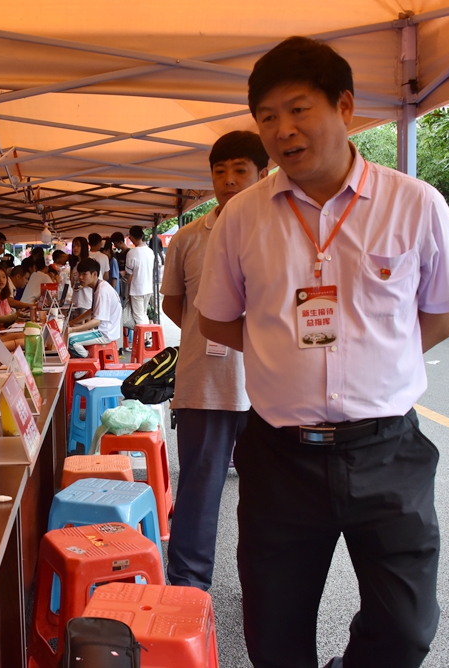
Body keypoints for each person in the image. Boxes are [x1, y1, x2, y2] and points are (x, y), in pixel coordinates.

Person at [196, 37, 449, 668]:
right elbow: (216, 318)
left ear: (344, 107)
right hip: (279, 458)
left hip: (387, 451)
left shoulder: (414, 203)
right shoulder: (242, 217)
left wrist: (381, 361)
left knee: (405, 630)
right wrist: (277, 353)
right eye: (268, 117)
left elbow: (443, 316)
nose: (282, 130)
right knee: (274, 636)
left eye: (298, 109)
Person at [160, 130, 269, 592]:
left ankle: (265, 583)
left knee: (269, 494)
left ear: (264, 174)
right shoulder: (187, 239)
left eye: (240, 171)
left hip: (270, 388)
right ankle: (188, 584)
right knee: (200, 490)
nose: (228, 181)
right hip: (205, 381)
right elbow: (174, 305)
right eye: (219, 172)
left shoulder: (281, 231)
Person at [66, 258, 122, 357]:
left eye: (84, 274)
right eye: (79, 274)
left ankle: (89, 360)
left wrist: (73, 329)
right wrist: (72, 323)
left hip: (104, 333)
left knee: (70, 339)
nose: (80, 277)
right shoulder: (99, 286)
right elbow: (92, 311)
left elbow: (97, 321)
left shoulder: (102, 291)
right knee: (72, 333)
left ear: (94, 274)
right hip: (104, 329)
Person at [125, 226, 155, 326]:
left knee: (138, 316)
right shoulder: (150, 252)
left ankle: (145, 335)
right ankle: (147, 334)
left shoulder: (131, 253)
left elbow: (130, 275)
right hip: (148, 288)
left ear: (132, 237)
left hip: (136, 289)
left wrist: (128, 292)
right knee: (143, 314)